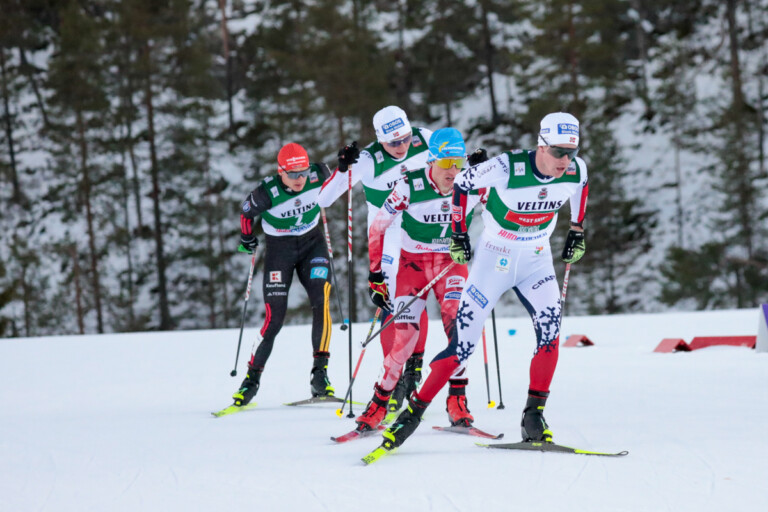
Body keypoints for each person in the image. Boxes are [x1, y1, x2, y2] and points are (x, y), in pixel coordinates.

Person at [378, 112, 589, 452]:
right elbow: (462, 183)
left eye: (571, 152)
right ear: (541, 145)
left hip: (536, 259)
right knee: (462, 346)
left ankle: (534, 416)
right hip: (495, 258)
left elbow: (581, 187)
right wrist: (459, 233)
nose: (565, 160)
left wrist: (577, 229)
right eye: (558, 152)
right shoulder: (507, 167)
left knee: (550, 333)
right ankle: (412, 415)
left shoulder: (577, 170)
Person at [353, 128, 487, 433]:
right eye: (446, 163)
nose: (453, 171)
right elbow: (377, 228)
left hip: (451, 265)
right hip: (413, 265)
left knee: (459, 327)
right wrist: (375, 274)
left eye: (459, 163)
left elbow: (500, 210)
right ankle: (379, 403)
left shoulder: (471, 184)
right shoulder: (409, 184)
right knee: (405, 338)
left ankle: (457, 399)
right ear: (431, 161)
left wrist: (488, 174)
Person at [318, 106, 433, 414]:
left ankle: (413, 371)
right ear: (381, 140)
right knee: (394, 302)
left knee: (418, 298)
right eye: (394, 143)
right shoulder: (368, 160)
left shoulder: (426, 140)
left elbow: (455, 168)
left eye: (405, 138)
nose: (402, 146)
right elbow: (323, 199)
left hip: (422, 225)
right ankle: (392, 377)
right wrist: (342, 170)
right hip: (387, 231)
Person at [232, 142, 336, 407]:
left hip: (313, 244)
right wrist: (247, 238)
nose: (300, 179)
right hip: (281, 249)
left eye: (303, 172)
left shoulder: (319, 173)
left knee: (321, 300)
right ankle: (251, 381)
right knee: (275, 316)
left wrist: (345, 166)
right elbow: (246, 212)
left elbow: (341, 181)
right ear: (281, 172)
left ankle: (320, 375)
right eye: (293, 174)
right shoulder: (267, 192)